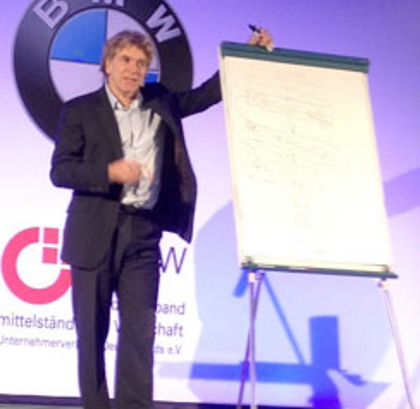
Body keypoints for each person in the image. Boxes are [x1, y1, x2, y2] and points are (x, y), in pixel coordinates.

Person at [50, 28, 273, 409]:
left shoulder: (160, 101)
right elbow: (61, 171)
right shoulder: (80, 110)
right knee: (91, 336)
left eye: (141, 64)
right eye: (125, 60)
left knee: (140, 335)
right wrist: (109, 172)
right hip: (93, 234)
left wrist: (244, 54)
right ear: (107, 64)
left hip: (143, 234)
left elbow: (205, 95)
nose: (133, 69)